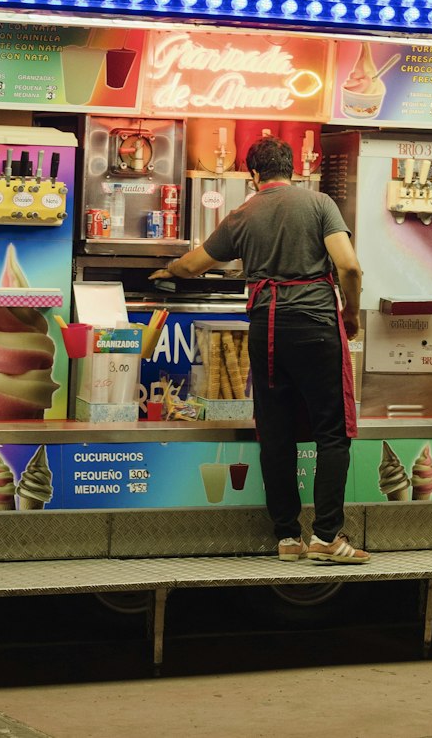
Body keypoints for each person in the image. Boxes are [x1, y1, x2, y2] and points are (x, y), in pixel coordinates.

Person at [151, 136, 367, 564]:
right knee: (332, 433)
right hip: (316, 326)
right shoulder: (320, 203)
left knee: (276, 433)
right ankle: (326, 535)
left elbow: (194, 265)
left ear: (253, 176)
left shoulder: (243, 213)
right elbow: (349, 266)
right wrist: (351, 315)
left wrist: (168, 269)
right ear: (293, 170)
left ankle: (287, 537)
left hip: (267, 328)